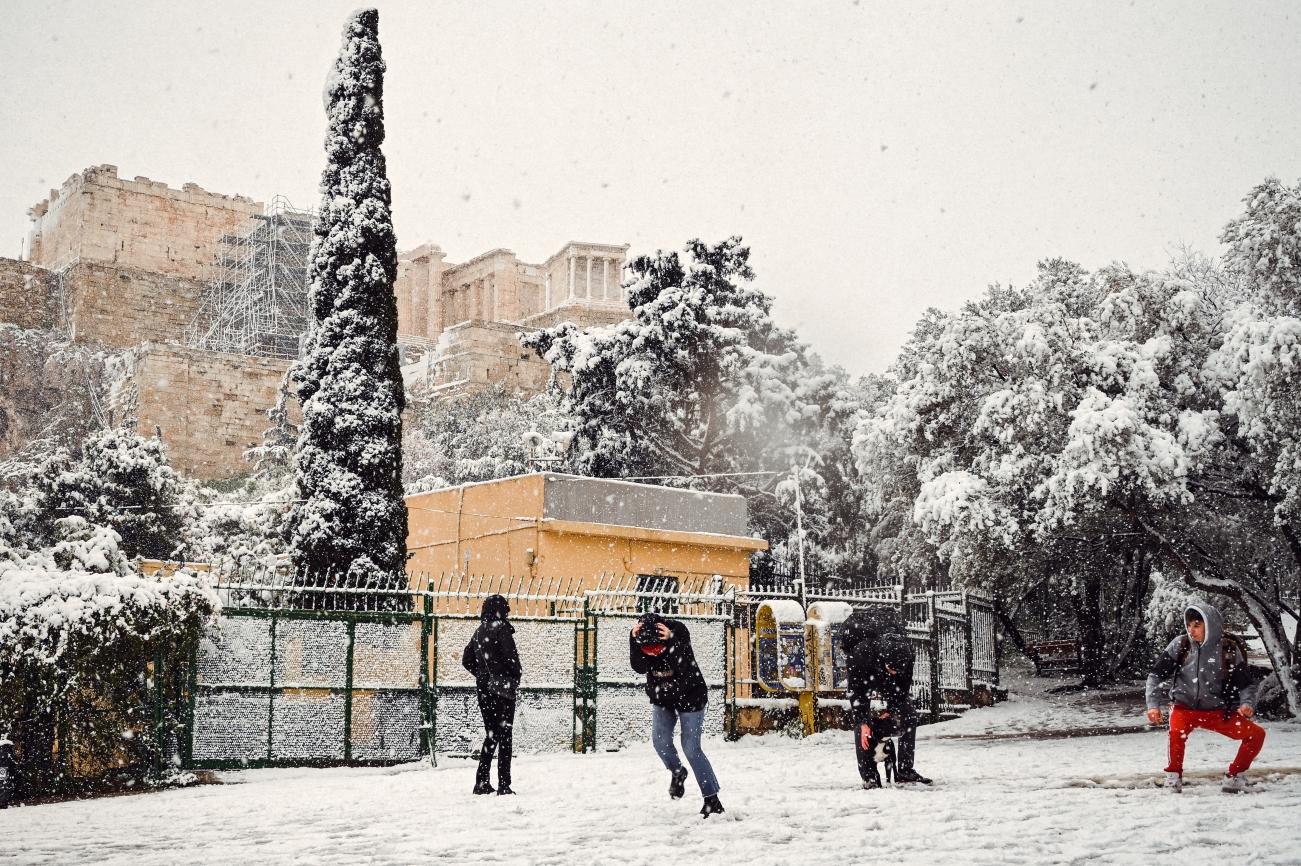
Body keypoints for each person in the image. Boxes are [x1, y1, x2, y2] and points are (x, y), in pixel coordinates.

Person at [1145, 602, 1264, 793]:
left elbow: (1246, 685)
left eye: (1197, 625)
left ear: (1210, 625)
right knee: (1176, 734)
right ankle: (1173, 778)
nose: (1191, 630)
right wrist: (1153, 705)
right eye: (1189, 625)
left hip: (1217, 712)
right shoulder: (1181, 644)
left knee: (1256, 734)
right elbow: (1155, 675)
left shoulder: (1229, 649)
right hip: (1183, 708)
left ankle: (1234, 778)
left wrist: (1247, 704)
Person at [629, 611, 725, 818]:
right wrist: (632, 639)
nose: (653, 654)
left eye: (655, 650)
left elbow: (685, 666)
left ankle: (712, 799)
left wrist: (671, 641)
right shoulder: (640, 638)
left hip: (691, 696)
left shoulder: (678, 631)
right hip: (662, 697)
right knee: (660, 742)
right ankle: (677, 772)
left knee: (691, 748)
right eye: (648, 651)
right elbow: (639, 667)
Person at [843, 606, 931, 788]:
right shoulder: (860, 654)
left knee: (909, 714)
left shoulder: (907, 653)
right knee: (863, 726)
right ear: (884, 660)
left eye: (898, 669)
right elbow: (857, 693)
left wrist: (893, 711)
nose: (895, 672)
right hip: (866, 671)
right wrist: (863, 720)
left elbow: (902, 687)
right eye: (892, 668)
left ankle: (905, 771)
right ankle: (869, 777)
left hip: (886, 675)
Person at [462, 593, 522, 795]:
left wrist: (482, 676)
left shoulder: (478, 632)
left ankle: (481, 782)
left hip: (484, 690)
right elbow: (512, 660)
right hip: (502, 689)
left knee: (491, 735)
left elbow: (466, 660)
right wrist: (513, 675)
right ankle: (504, 785)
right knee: (505, 737)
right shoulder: (502, 629)